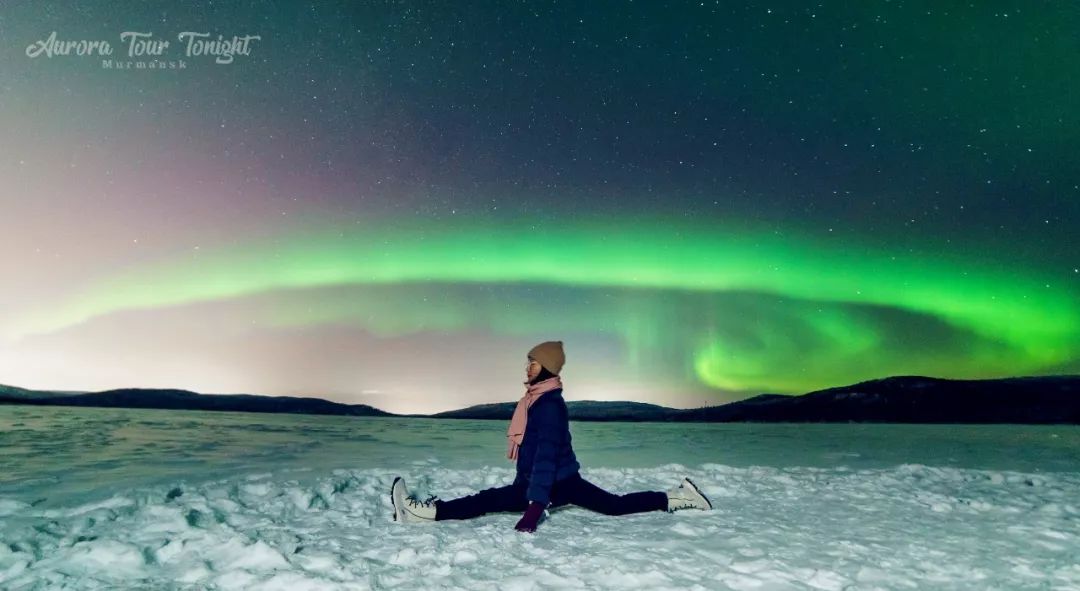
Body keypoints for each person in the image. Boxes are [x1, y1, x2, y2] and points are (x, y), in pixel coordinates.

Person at [390, 340, 712, 533]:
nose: (527, 367)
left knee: (614, 506)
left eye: (533, 363)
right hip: (536, 482)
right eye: (528, 362)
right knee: (486, 499)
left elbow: (546, 454)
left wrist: (535, 506)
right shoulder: (536, 400)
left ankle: (678, 498)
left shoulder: (550, 406)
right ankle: (425, 513)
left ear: (546, 368)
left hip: (557, 483)